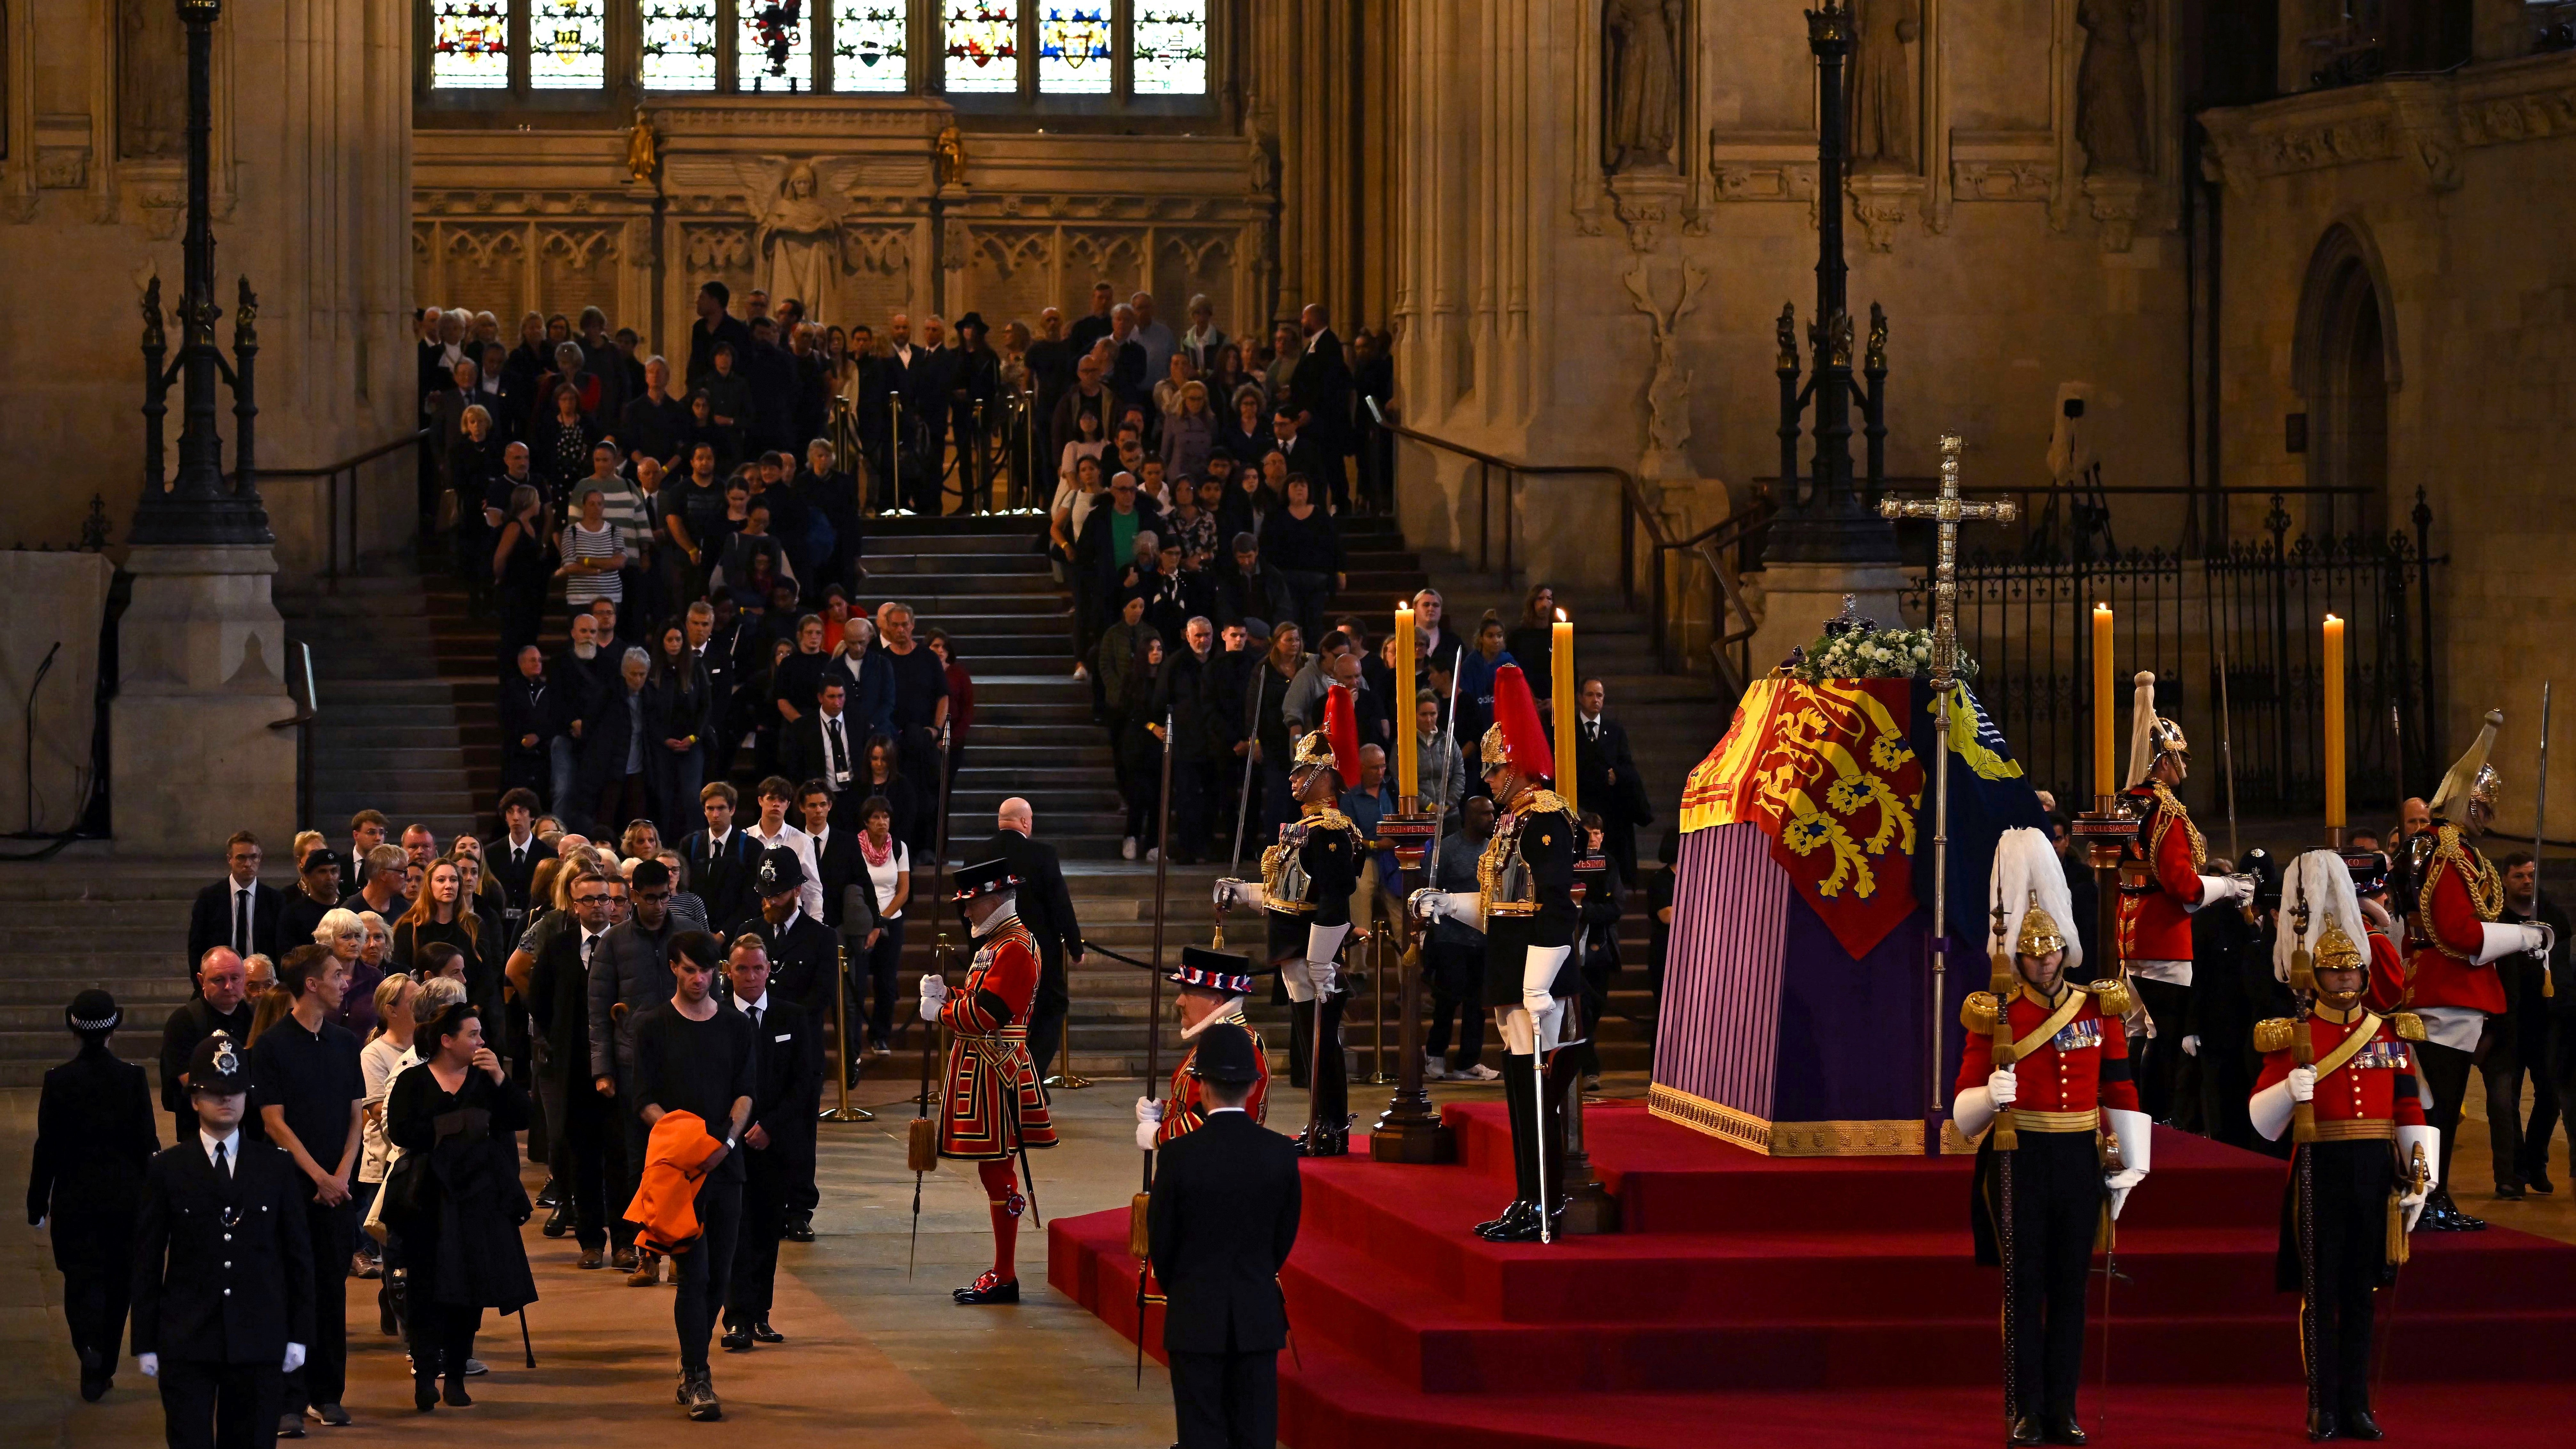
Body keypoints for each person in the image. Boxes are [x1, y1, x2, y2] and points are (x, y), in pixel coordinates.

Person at [1951, 827, 2148, 1446]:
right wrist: (1989, 1097)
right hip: (2018, 1156)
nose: (2043, 961)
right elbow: (1960, 1114)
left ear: (2065, 947)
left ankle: (2062, 1408)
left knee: (2069, 1290)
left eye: (2051, 950)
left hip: (2076, 1158)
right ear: (2015, 952)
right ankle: (2023, 1408)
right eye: (2032, 953)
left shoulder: (2098, 1008)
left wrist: (2129, 1165)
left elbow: (2118, 1090)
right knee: (2023, 1286)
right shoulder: (1993, 1011)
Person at [2245, 851, 2433, 1440]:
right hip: (2318, 1168)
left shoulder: (2389, 1032)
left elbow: (2407, 1106)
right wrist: (2287, 1088)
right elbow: (2260, 1123)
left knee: (2360, 1294)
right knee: (2319, 1292)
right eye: (2335, 973)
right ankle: (2320, 1403)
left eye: (2353, 971)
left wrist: (2417, 1174)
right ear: (2315, 977)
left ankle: (2355, 1403)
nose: (2346, 979)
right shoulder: (2292, 1034)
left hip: (2373, 1172)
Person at [1410, 666, 1583, 1236]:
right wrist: (1446, 904)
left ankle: (1545, 1202)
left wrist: (1538, 981)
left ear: (1517, 764)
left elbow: (1558, 906)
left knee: (1538, 1097)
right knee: (1517, 1090)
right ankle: (1525, 1195)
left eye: (1494, 767)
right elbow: (1497, 906)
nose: (1487, 779)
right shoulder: (1511, 825)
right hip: (1509, 970)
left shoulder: (1546, 820)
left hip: (1537, 974)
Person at [131, 1029, 315, 1449]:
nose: (226, 1100)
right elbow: (146, 1258)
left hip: (259, 1335)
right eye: (214, 1091)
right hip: (187, 1336)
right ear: (195, 1098)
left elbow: (299, 1258)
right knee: (189, 1439)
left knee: (251, 1440)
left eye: (234, 1090)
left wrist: (299, 1333)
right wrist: (145, 1339)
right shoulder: (168, 1169)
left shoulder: (275, 1167)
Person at [2405, 711, 2550, 1230]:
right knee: (2437, 1110)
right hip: (2446, 991)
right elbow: (2459, 934)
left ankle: (2431, 1199)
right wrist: (2523, 935)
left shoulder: (2451, 849)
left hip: (2451, 994)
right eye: (2482, 805)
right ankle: (2427, 1202)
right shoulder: (2445, 850)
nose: (2488, 815)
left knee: (2442, 1110)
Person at [1214, 686, 1366, 1157]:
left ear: (1326, 775)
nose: (1294, 778)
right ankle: (1321, 1120)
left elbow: (1335, 902)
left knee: (1322, 1047)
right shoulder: (1301, 829)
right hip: (1294, 955)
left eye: (1303, 770)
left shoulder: (1334, 831)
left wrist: (1323, 961)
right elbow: (1285, 898)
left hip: (1312, 957)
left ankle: (1332, 1125)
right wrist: (1241, 893)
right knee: (1310, 1048)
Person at [1145, 1020, 1300, 1449]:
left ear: (1202, 1087)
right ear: (1252, 1087)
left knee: (1200, 1430)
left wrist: (1185, 1284)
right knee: (1255, 1431)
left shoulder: (1178, 1155)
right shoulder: (1280, 1152)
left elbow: (1162, 1238)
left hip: (1195, 1313)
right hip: (1256, 1313)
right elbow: (1283, 1234)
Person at [383, 1003, 536, 1413]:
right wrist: (449, 1126)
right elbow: (399, 1129)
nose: (481, 1041)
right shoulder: (414, 1080)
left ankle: (454, 1376)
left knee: (469, 1289)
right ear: (447, 1041)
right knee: (426, 1288)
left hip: (478, 1195)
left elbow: (521, 1117)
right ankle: (425, 1375)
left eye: (481, 1034)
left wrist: (502, 1078)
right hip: (428, 1198)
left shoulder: (486, 1080)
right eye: (472, 1034)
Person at [629, 930, 757, 1420]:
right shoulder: (652, 1025)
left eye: (705, 970)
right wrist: (686, 1144)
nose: (698, 978)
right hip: (678, 1172)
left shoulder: (734, 1025)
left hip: (726, 1167)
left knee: (718, 1277)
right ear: (673, 969)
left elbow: (746, 1091)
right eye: (688, 969)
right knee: (692, 1274)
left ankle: (690, 1365)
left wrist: (723, 1142)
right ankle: (699, 1374)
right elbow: (643, 1099)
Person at [2115, 671, 2254, 1124]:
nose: (2184, 766)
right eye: (2179, 757)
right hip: (2164, 936)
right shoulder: (2166, 811)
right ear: (2163, 759)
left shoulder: (2125, 803)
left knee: (2136, 1028)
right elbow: (2187, 888)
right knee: (2164, 1034)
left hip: (2130, 933)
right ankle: (2155, 1118)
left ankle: (2133, 1115)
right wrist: (2230, 886)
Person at [918, 858, 1058, 1304]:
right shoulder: (998, 944)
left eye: (970, 903)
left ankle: (1006, 1272)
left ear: (993, 898)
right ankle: (1002, 1268)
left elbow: (989, 1014)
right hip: (985, 1067)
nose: (966, 912)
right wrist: (948, 995)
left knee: (999, 1174)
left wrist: (940, 1011)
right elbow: (980, 1001)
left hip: (995, 1070)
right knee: (994, 1172)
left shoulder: (1014, 946)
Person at [247, 947, 366, 1431]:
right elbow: (273, 1122)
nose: (345, 982)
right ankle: (288, 1399)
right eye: (337, 975)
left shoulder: (343, 1041)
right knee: (292, 1291)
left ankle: (327, 1393)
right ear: (311, 984)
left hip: (337, 1188)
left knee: (331, 1293)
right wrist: (317, 1175)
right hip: (293, 1188)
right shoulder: (272, 1045)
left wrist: (340, 1175)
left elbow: (357, 1114)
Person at [28, 990, 159, 1402]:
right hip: (125, 1200)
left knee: (80, 1278)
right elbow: (147, 1143)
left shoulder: (58, 1080)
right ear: (114, 1028)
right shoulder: (132, 1078)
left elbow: (46, 1146)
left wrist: (38, 1201)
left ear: (73, 1029)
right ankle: (102, 1365)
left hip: (74, 1199)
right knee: (120, 1282)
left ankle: (88, 1345)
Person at [719, 935, 822, 1351]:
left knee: (766, 1230)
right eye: (741, 968)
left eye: (758, 968)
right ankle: (735, 1318)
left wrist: (771, 1126)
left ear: (769, 970)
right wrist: (733, 1128)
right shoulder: (718, 1018)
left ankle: (760, 1313)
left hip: (774, 1145)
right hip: (728, 1145)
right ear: (728, 972)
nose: (750, 976)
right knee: (734, 1232)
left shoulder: (792, 1017)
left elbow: (806, 1082)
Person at [525, 868, 624, 1269]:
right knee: (581, 1155)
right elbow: (539, 1000)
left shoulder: (624, 944)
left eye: (606, 899)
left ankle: (626, 1241)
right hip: (574, 1070)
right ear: (574, 904)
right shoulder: (559, 946)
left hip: (619, 1068)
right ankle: (589, 1239)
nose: (599, 906)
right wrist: (561, 1040)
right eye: (590, 900)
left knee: (620, 1157)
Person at [970, 798, 1085, 1083]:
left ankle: (997, 1080)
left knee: (995, 1012)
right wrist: (1075, 946)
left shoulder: (976, 854)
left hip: (990, 952)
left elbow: (967, 908)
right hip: (1039, 953)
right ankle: (1028, 1080)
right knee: (1051, 1008)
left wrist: (978, 945)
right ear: (1025, 821)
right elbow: (1060, 904)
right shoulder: (1042, 854)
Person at [1134, 948, 1271, 1150]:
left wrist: (1159, 1137)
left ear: (1216, 1001)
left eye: (1188, 993)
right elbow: (1198, 1101)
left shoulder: (1231, 1045)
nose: (1179, 1002)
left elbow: (1215, 1117)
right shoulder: (1222, 1038)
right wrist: (1164, 1110)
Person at [2495, 850, 2571, 1195]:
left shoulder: (2553, 916)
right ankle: (2515, 1170)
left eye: (2530, 875)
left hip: (2547, 1025)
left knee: (2549, 1097)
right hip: (2508, 1024)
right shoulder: (2496, 920)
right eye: (2518, 876)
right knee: (2506, 1101)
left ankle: (2536, 1160)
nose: (2527, 881)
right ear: (2504, 880)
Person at [1423, 798, 1499, 1081]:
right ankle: (1435, 1054)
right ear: (1469, 817)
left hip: (1483, 937)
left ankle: (1469, 1060)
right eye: (1485, 813)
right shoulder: (1449, 848)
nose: (1491, 818)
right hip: (1451, 938)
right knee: (1447, 998)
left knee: (1478, 1003)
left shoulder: (1494, 848)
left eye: (1493, 813)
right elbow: (1431, 888)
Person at [162, 950, 257, 1145]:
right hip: (199, 1130)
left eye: (236, 978)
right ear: (201, 980)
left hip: (250, 1128)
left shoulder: (256, 1017)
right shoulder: (184, 1021)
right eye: (219, 980)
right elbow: (186, 1078)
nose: (229, 986)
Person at [1572, 678, 1655, 884]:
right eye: (1590, 694)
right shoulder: (1568, 729)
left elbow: (1628, 766)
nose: (1595, 700)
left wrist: (1617, 775)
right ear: (1580, 698)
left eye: (1599, 695)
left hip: (1611, 809)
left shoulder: (1615, 731)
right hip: (1582, 805)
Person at [189, 832, 283, 975]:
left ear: (260, 858)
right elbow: (196, 946)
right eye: (241, 858)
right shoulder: (209, 898)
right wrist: (201, 986)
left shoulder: (275, 900)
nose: (248, 864)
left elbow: (281, 947)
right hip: (221, 978)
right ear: (230, 859)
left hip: (263, 981)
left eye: (253, 857)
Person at [680, 781, 763, 929]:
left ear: (732, 810)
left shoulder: (751, 847)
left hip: (736, 934)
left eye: (721, 808)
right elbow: (683, 893)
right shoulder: (689, 844)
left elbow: (752, 900)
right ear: (704, 811)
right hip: (696, 933)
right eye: (710, 809)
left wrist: (724, 935)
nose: (715, 815)